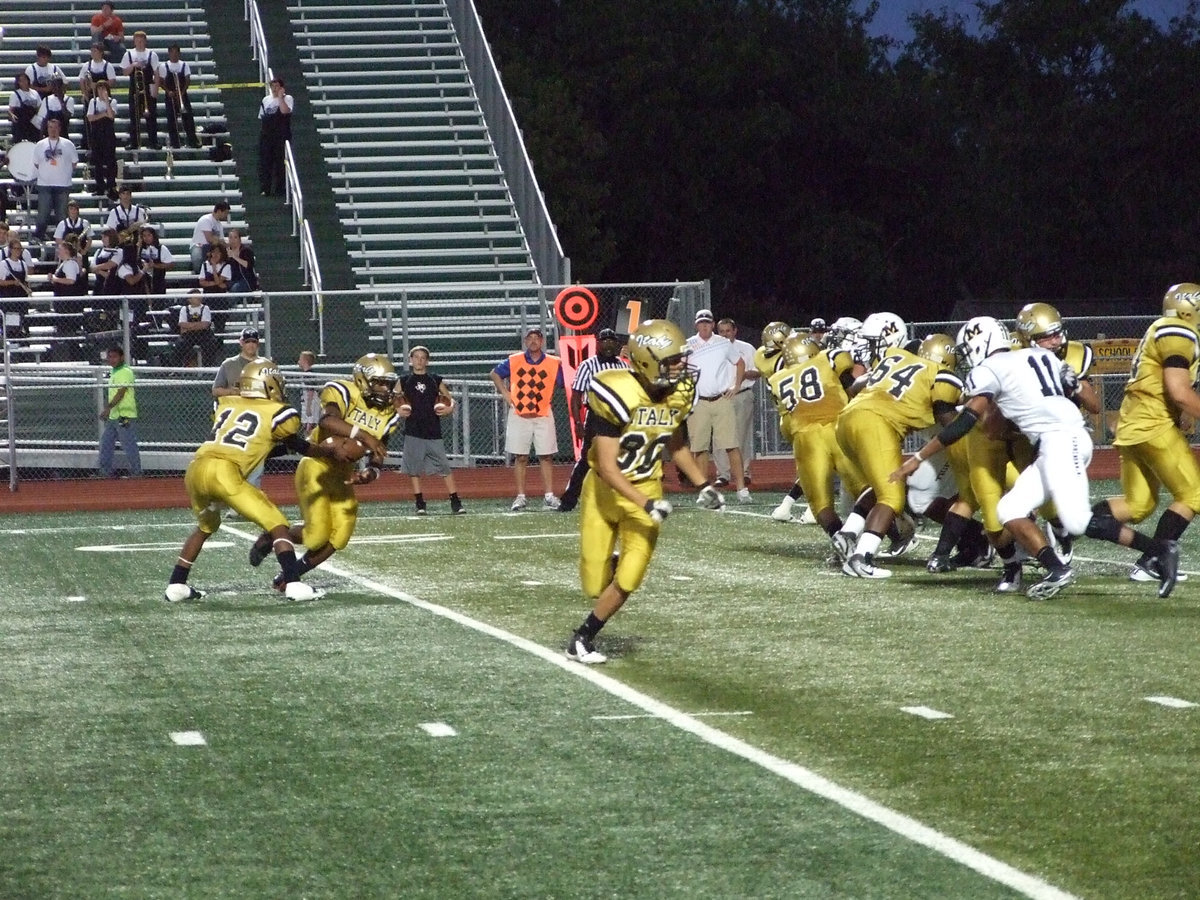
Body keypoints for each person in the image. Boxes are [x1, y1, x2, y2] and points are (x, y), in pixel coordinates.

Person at [893, 316, 1182, 601]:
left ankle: (1160, 550)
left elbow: (966, 422)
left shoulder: (990, 369)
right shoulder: (1042, 356)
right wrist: (1073, 386)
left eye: (969, 350)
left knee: (1078, 522)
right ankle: (1058, 570)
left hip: (1062, 441)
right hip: (1056, 442)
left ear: (981, 345)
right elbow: (1090, 402)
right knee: (1009, 509)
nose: (968, 357)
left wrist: (918, 456)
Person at [564, 319, 724, 664]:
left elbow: (675, 444)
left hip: (647, 485)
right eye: (673, 360)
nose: (681, 367)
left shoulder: (679, 393)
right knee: (594, 584)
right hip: (604, 492)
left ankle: (582, 637)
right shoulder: (616, 391)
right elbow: (607, 466)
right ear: (649, 361)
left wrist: (702, 483)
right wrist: (647, 503)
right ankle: (610, 566)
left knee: (630, 577)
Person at [164, 358, 346, 603]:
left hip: (196, 468)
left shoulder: (227, 403)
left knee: (205, 527)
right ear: (268, 384)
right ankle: (294, 584)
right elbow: (300, 446)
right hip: (225, 472)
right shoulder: (277, 412)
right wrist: (327, 451)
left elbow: (259, 446)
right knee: (277, 524)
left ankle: (176, 585)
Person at [247, 354, 400, 589]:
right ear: (362, 380)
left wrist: (371, 472)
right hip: (316, 465)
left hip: (343, 474)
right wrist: (363, 435)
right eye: (379, 383)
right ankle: (272, 536)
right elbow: (327, 421)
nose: (385, 389)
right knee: (317, 535)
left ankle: (289, 575)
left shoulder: (389, 414)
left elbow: (378, 451)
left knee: (341, 535)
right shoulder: (343, 391)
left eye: (388, 384)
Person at [834, 312, 962, 578]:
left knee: (885, 483)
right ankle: (861, 558)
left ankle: (849, 534)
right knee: (892, 496)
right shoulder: (940, 373)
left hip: (846, 420)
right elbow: (947, 415)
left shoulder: (894, 356)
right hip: (877, 424)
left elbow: (855, 387)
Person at [1096, 284, 1200, 586]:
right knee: (1194, 494)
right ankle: (1152, 561)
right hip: (1153, 424)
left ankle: (1071, 524)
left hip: (1133, 425)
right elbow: (1179, 391)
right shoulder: (1179, 331)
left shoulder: (1162, 327)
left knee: (1137, 504)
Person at [489, 324, 565, 510]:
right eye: (530, 338)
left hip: (543, 413)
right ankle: (521, 496)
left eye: (536, 338)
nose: (533, 341)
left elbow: (563, 382)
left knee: (546, 456)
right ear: (525, 341)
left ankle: (549, 495)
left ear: (542, 341)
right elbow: (494, 374)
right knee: (520, 456)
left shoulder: (553, 362)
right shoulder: (515, 360)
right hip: (519, 413)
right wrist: (505, 394)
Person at [559, 327, 629, 512]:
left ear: (617, 344)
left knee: (622, 458)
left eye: (611, 341)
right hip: (597, 417)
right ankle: (568, 500)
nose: (608, 345)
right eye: (604, 341)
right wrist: (577, 422)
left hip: (618, 417)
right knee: (586, 459)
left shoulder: (623, 366)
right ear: (598, 343)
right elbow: (576, 395)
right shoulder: (588, 365)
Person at [685, 308, 750, 502]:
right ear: (696, 325)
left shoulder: (723, 343)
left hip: (721, 399)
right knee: (699, 448)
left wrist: (736, 386)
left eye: (707, 322)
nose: (704, 326)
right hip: (699, 402)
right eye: (701, 323)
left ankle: (741, 489)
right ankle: (705, 490)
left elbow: (740, 363)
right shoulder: (687, 345)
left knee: (731, 445)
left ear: (712, 324)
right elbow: (680, 369)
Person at [397, 345, 464, 515]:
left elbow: (450, 399)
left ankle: (455, 500)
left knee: (444, 467)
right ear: (410, 360)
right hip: (413, 429)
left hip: (433, 429)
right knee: (414, 469)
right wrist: (397, 409)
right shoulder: (404, 380)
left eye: (422, 358)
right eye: (416, 357)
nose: (419, 360)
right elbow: (393, 398)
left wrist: (449, 408)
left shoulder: (435, 379)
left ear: (427, 361)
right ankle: (419, 502)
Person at [212, 328, 268, 496]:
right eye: (247, 341)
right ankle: (235, 498)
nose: (251, 345)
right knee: (233, 463)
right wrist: (234, 392)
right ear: (241, 343)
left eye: (253, 342)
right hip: (234, 421)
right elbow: (216, 390)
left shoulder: (266, 365)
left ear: (258, 344)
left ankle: (251, 499)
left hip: (258, 419)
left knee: (256, 464)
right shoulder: (229, 364)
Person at [713, 317, 759, 487]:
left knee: (742, 435)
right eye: (722, 331)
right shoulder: (712, 349)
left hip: (742, 394)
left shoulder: (746, 348)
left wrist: (743, 374)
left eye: (728, 331)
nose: (725, 334)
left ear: (735, 331)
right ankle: (722, 474)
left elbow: (758, 371)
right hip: (721, 395)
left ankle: (744, 472)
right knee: (719, 436)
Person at [97, 345, 141, 478]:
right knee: (106, 443)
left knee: (128, 444)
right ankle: (105, 471)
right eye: (109, 357)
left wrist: (107, 408)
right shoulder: (115, 372)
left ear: (121, 357)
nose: (111, 360)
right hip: (114, 415)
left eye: (114, 357)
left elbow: (121, 392)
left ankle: (136, 472)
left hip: (124, 415)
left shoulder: (125, 371)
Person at [32, 118, 78, 242]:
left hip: (63, 185)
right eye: (50, 127)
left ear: (60, 129)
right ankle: (38, 236)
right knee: (43, 213)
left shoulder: (68, 144)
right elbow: (36, 163)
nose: (53, 130)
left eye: (55, 127)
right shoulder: (40, 145)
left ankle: (64, 238)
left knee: (62, 215)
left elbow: (74, 163)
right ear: (47, 129)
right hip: (44, 184)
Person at [121, 31, 160, 150]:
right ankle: (134, 142)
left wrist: (155, 90)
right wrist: (133, 65)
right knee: (134, 117)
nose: (139, 43)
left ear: (145, 41)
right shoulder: (129, 54)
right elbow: (124, 72)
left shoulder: (152, 54)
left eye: (142, 41)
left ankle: (153, 142)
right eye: (137, 41)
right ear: (134, 41)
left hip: (148, 87)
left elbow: (156, 73)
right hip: (134, 88)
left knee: (151, 116)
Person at [156, 44, 199, 149]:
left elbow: (187, 80)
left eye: (176, 52)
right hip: (170, 96)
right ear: (169, 53)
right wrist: (168, 92)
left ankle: (192, 141)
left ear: (179, 54)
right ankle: (175, 142)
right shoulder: (164, 66)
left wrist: (182, 93)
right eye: (172, 52)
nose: (174, 55)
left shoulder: (184, 65)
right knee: (171, 119)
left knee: (188, 118)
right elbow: (161, 82)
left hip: (182, 95)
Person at [257, 77, 293, 196]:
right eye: (272, 86)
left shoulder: (288, 98)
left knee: (280, 162)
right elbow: (262, 116)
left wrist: (281, 97)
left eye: (277, 86)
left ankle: (280, 189)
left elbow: (285, 111)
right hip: (267, 134)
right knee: (265, 162)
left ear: (281, 87)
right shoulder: (266, 100)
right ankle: (265, 188)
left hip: (281, 134)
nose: (274, 88)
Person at [84, 79, 118, 198]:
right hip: (96, 135)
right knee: (97, 162)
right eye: (99, 88)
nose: (101, 91)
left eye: (103, 88)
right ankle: (100, 187)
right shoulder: (93, 102)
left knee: (111, 162)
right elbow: (90, 118)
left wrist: (106, 102)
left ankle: (111, 186)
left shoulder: (113, 101)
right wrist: (103, 114)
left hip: (108, 134)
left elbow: (111, 116)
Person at [173, 289, 220, 365]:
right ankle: (177, 367)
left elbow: (205, 325)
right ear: (189, 299)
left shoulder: (205, 308)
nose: (199, 298)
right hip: (188, 335)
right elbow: (182, 324)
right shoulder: (184, 309)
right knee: (179, 344)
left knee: (211, 344)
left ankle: (209, 366)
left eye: (200, 296)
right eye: (196, 296)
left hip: (204, 335)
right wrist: (198, 325)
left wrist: (189, 326)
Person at [190, 201, 229, 273]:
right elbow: (209, 239)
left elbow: (221, 241)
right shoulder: (206, 220)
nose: (226, 215)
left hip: (212, 247)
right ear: (219, 211)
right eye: (225, 213)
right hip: (199, 246)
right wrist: (218, 241)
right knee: (197, 257)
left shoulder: (219, 225)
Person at [139, 224, 173, 297]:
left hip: (158, 282)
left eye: (149, 235)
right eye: (144, 236)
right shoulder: (140, 249)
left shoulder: (162, 248)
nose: (146, 238)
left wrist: (155, 265)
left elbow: (170, 264)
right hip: (142, 282)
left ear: (153, 236)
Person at [8, 72, 41, 145]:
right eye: (21, 81)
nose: (23, 82)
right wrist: (12, 116)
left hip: (33, 122)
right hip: (21, 123)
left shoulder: (34, 93)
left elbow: (39, 106)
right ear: (18, 83)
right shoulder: (15, 94)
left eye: (25, 79)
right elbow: (11, 110)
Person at [297, 349, 322, 436]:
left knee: (310, 426)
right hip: (305, 402)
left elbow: (311, 391)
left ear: (305, 361)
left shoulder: (309, 374)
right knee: (305, 425)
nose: (298, 361)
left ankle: (311, 441)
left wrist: (309, 406)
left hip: (311, 403)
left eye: (300, 359)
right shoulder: (305, 374)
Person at [225, 229, 258, 294]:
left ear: (239, 239)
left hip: (245, 280)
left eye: (235, 237)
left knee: (235, 289)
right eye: (230, 238)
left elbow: (248, 265)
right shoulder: (226, 251)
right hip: (231, 279)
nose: (233, 240)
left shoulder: (246, 250)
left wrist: (234, 256)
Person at [91, 228, 121, 296]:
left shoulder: (118, 251)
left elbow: (110, 265)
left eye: (105, 237)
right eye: (101, 237)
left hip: (113, 288)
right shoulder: (99, 251)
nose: (102, 239)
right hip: (99, 287)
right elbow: (92, 267)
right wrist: (101, 272)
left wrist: (97, 269)